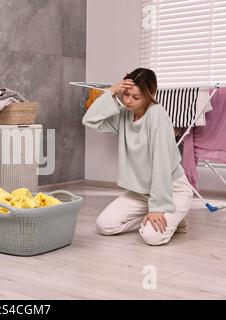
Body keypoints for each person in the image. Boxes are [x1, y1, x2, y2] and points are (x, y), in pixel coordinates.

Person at [82, 68, 193, 246]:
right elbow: (90, 119)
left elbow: (161, 164)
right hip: (142, 192)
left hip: (171, 190)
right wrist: (112, 90)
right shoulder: (125, 115)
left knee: (152, 237)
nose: (127, 101)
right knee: (104, 225)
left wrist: (157, 207)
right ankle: (171, 218)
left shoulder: (157, 115)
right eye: (126, 94)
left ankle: (171, 214)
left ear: (151, 94)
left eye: (136, 97)